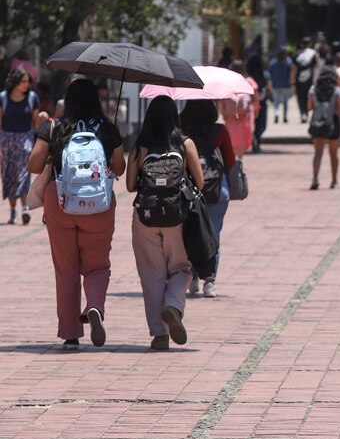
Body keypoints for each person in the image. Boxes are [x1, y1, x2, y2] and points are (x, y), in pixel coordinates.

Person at [27, 79, 125, 350]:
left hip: (60, 203)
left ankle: (71, 335)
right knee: (97, 266)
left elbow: (33, 164)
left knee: (66, 270)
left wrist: (52, 156)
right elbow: (119, 169)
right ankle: (94, 306)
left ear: (67, 100)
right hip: (99, 207)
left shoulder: (56, 127)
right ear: (95, 99)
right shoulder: (107, 128)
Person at [126, 96, 204, 351]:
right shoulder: (185, 144)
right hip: (177, 217)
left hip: (145, 217)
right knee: (182, 268)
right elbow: (200, 183)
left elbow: (129, 185)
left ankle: (159, 335)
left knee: (151, 275)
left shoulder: (140, 147)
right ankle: (173, 306)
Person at [180, 100, 235, 298]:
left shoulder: (181, 129)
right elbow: (230, 161)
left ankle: (192, 277)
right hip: (216, 190)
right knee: (213, 233)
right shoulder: (219, 131)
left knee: (189, 232)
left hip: (188, 189)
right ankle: (209, 281)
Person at [0, 66, 43, 224]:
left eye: (28, 81)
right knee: (8, 176)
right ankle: (12, 212)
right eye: (23, 81)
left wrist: (42, 116)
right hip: (6, 141)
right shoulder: (3, 98)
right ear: (15, 82)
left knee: (24, 174)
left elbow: (36, 124)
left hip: (25, 140)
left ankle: (24, 207)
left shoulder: (32, 98)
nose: (26, 84)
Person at [308, 66, 340, 190]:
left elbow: (309, 107)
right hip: (333, 123)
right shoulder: (337, 90)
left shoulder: (313, 89)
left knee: (318, 153)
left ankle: (315, 178)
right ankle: (334, 181)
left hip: (318, 122)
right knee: (333, 154)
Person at [220, 60, 258, 158]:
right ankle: (239, 162)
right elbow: (255, 99)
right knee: (241, 141)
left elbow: (222, 99)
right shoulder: (249, 82)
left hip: (231, 117)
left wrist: (223, 112)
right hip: (245, 117)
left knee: (232, 140)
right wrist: (256, 110)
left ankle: (232, 163)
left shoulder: (227, 82)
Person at [246, 54, 270, 153]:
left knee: (252, 123)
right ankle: (257, 141)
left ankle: (254, 140)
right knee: (261, 124)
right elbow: (269, 87)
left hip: (250, 103)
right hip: (262, 102)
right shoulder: (265, 74)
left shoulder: (248, 76)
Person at [294, 37, 318, 124]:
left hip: (299, 79)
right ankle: (308, 113)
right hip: (310, 79)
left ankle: (303, 113)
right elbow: (316, 67)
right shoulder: (313, 53)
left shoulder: (297, 53)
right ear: (310, 44)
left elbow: (293, 68)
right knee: (309, 96)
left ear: (301, 44)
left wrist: (292, 79)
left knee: (300, 97)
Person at [268, 47, 294, 123]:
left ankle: (276, 113)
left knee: (276, 101)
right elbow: (292, 71)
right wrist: (292, 81)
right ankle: (285, 116)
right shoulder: (288, 61)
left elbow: (269, 74)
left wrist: (270, 84)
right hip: (286, 83)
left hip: (276, 83)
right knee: (285, 101)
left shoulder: (273, 62)